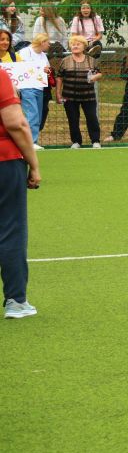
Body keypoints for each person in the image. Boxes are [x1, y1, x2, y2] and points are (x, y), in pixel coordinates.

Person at [0, 65, 40, 319]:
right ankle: (16, 300)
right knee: (11, 229)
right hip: (4, 161)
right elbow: (17, 123)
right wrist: (34, 164)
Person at [58, 35, 103, 148]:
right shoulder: (65, 61)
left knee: (92, 118)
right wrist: (58, 94)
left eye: (78, 44)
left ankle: (95, 141)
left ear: (84, 46)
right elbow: (59, 78)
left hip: (88, 96)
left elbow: (99, 73)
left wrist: (95, 77)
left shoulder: (92, 60)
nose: (75, 46)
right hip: (69, 96)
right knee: (73, 119)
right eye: (73, 44)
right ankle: (76, 141)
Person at [15, 35, 52, 149]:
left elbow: (48, 70)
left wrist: (47, 71)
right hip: (27, 87)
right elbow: (19, 67)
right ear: (42, 42)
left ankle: (32, 141)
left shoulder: (43, 55)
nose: (49, 45)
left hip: (39, 88)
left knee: (38, 116)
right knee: (33, 114)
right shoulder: (25, 52)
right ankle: (30, 142)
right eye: (47, 42)